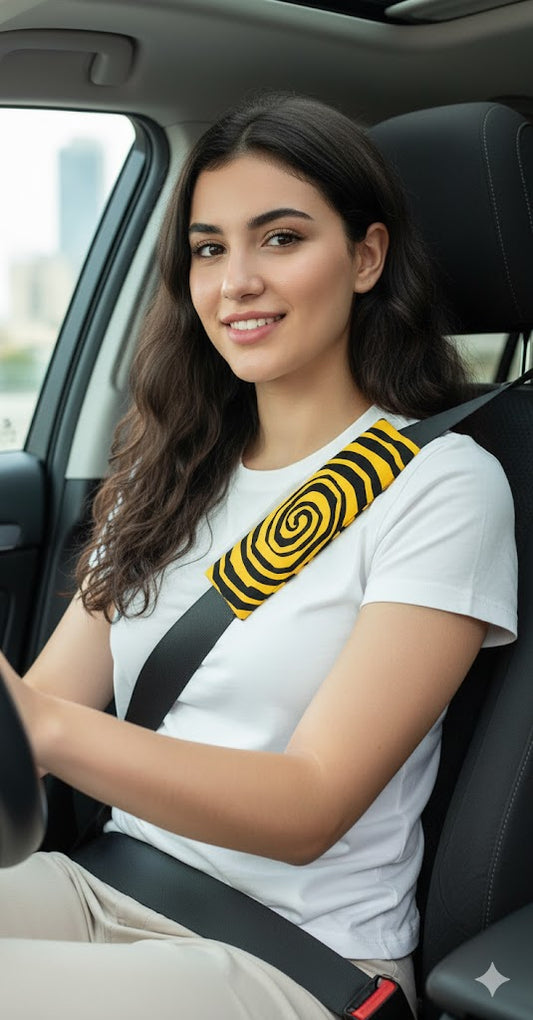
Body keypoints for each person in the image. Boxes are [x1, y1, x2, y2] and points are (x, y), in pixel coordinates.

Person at [0, 92, 517, 1020]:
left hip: (294, 958)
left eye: (279, 238)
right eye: (209, 248)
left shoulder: (440, 485)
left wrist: (46, 728)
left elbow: (307, 808)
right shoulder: (163, 471)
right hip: (110, 886)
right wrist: (28, 722)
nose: (234, 280)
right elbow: (37, 708)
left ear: (365, 257)